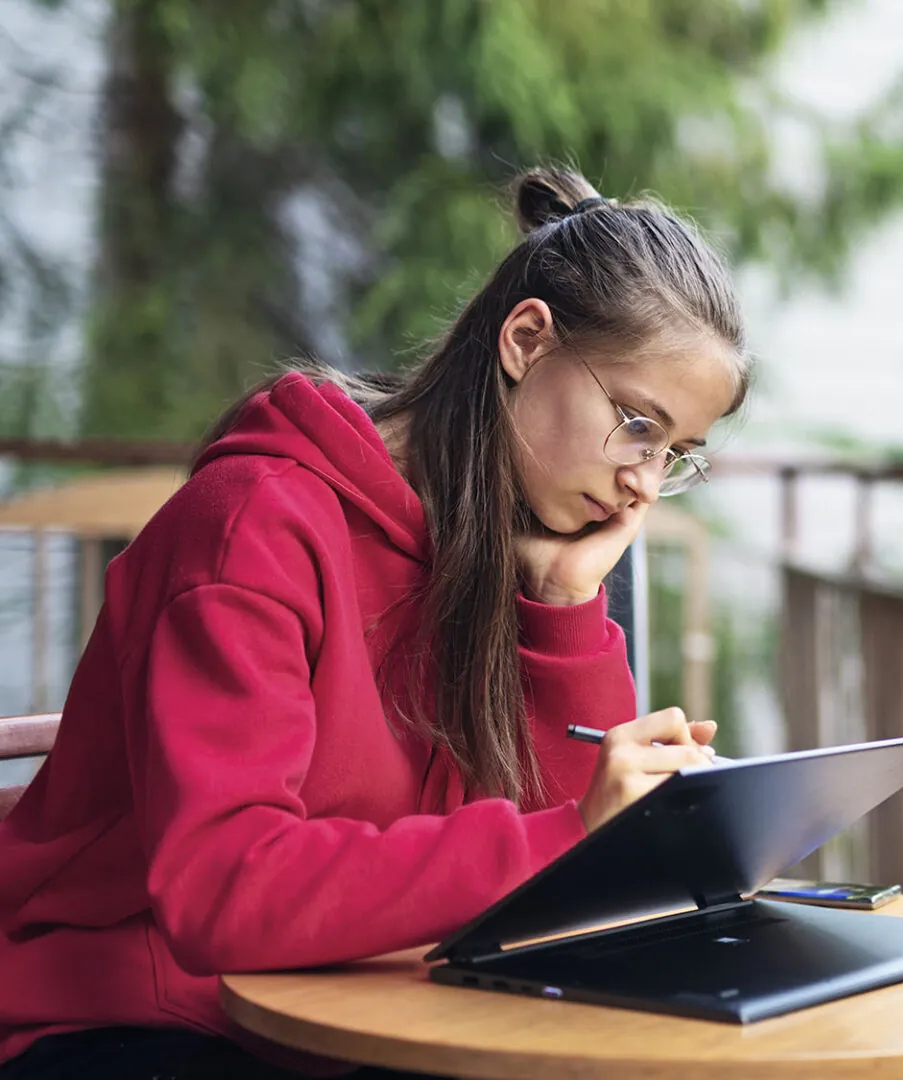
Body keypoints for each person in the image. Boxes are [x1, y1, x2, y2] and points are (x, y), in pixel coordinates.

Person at [0, 167, 751, 1078]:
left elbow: (552, 906)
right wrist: (573, 834)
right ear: (525, 340)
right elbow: (222, 892)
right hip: (130, 1020)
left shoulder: (500, 545)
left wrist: (561, 610)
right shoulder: (254, 524)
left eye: (675, 454)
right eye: (637, 423)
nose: (644, 480)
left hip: (363, 1012)